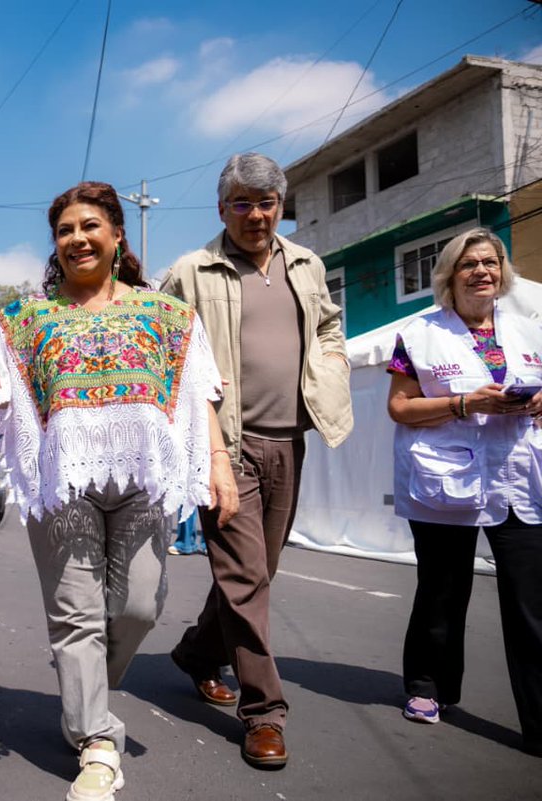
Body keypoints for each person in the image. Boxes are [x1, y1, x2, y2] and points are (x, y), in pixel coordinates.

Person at [0, 181, 238, 801]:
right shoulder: (27, 318)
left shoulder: (167, 314)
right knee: (75, 617)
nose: (76, 238)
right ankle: (96, 742)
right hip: (64, 484)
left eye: (88, 226)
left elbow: (197, 395)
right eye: (64, 230)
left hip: (143, 481)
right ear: (55, 244)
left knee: (138, 607)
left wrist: (216, 461)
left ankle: (84, 697)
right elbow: (1, 400)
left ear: (115, 234)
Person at [160, 152, 353, 769]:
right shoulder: (193, 270)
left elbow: (328, 327)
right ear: (222, 210)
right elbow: (161, 346)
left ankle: (196, 653)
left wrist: (335, 365)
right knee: (245, 580)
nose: (254, 214)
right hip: (225, 446)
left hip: (289, 443)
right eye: (241, 202)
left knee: (255, 577)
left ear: (280, 207)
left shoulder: (306, 264)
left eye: (265, 202)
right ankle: (264, 712)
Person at [386, 227, 542, 756]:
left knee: (531, 603)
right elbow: (400, 407)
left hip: (521, 478)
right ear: (449, 274)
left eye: (491, 262)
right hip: (446, 478)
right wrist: (464, 404)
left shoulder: (529, 328)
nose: (483, 271)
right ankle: (428, 687)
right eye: (470, 263)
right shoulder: (420, 332)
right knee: (443, 591)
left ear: (503, 271)